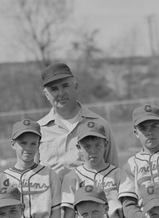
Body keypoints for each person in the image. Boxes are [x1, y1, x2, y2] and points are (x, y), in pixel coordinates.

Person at [36, 61, 119, 200]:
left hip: (93, 211)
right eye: (54, 89)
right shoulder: (38, 130)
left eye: (65, 86)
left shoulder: (100, 125)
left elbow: (113, 171)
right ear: (46, 94)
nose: (61, 93)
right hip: (55, 213)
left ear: (75, 85)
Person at [59, 120, 132, 218]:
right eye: (87, 146)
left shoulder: (118, 174)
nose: (93, 151)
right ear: (78, 147)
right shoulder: (72, 177)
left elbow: (126, 215)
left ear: (106, 144)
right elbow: (69, 217)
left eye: (98, 145)